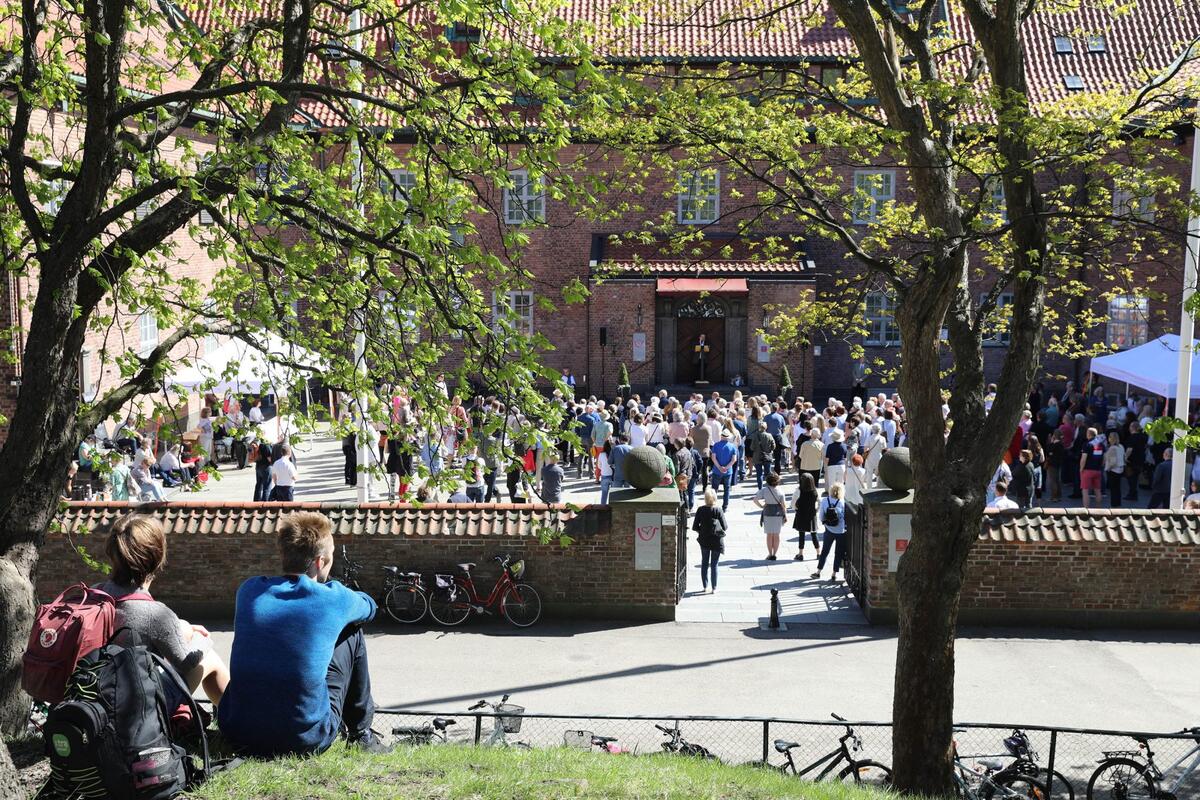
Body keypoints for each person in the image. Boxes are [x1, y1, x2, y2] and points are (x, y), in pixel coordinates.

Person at [218, 512, 388, 756]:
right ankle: (361, 734)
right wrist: (343, 599)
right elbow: (369, 608)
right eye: (331, 557)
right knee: (352, 631)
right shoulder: (333, 598)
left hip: (237, 732)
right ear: (320, 561)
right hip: (305, 738)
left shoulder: (249, 590)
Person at [99, 513, 229, 702]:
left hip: (96, 699)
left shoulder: (95, 593)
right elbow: (186, 664)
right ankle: (238, 717)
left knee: (183, 627)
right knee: (208, 658)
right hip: (137, 708)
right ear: (157, 556)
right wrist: (203, 640)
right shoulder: (156, 615)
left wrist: (182, 627)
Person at [691, 488, 726, 593]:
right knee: (714, 564)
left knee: (704, 562)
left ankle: (705, 586)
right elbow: (725, 526)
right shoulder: (718, 510)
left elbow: (695, 526)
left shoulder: (700, 510)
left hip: (704, 539)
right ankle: (714, 587)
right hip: (716, 540)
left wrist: (702, 531)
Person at [812, 482, 847, 581]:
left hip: (829, 530)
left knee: (825, 551)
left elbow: (821, 516)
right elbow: (845, 517)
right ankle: (834, 574)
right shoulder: (842, 502)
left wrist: (826, 523)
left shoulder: (825, 501)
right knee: (838, 553)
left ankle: (818, 571)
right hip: (840, 531)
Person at [752, 472, 788, 560]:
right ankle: (774, 554)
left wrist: (761, 506)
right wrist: (785, 515)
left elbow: (755, 499)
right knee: (776, 535)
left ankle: (770, 554)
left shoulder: (764, 490)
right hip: (778, 514)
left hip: (767, 512)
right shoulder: (780, 491)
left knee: (769, 535)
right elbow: (784, 506)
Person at [792, 471, 819, 560]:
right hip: (811, 515)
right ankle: (818, 553)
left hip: (801, 514)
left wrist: (795, 509)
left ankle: (800, 554)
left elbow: (793, 503)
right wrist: (817, 510)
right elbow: (819, 502)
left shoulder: (798, 491)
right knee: (814, 534)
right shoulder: (814, 491)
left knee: (801, 534)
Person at [709, 429, 738, 512]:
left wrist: (719, 467)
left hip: (716, 471)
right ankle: (725, 507)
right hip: (728, 472)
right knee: (727, 490)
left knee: (714, 489)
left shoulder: (716, 445)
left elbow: (713, 458)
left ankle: (712, 505)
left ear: (721, 436)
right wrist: (726, 468)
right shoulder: (732, 446)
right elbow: (734, 460)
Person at [1078, 427, 1105, 509]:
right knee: (1097, 490)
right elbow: (1104, 458)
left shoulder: (1087, 444)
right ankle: (1098, 508)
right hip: (1098, 470)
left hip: (1087, 470)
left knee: (1085, 490)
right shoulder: (1101, 444)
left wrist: (1081, 468)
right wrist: (1101, 466)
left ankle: (1086, 509)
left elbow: (1084, 458)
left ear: (1088, 434)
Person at [1103, 431, 1126, 508]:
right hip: (1120, 468)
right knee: (1118, 487)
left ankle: (1114, 503)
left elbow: (1113, 461)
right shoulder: (1121, 446)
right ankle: (1118, 502)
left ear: (1111, 438)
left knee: (1113, 489)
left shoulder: (1112, 448)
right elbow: (1124, 457)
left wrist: (1108, 469)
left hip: (1113, 470)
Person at [598, 439, 614, 505]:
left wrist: (604, 468)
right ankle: (612, 507)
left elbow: (599, 466)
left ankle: (602, 507)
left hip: (604, 475)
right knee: (613, 495)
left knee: (604, 494)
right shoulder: (613, 454)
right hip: (613, 476)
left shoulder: (601, 454)